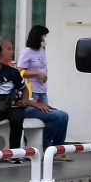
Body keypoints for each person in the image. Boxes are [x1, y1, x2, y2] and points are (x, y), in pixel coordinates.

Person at [0, 42, 51, 157]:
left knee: (17, 119)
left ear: (0, 56)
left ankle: (15, 153)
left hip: (13, 106)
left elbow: (24, 89)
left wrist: (23, 102)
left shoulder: (11, 72)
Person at [17, 25, 70, 156]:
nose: (45, 39)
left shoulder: (41, 51)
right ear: (38, 37)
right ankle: (44, 147)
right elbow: (20, 72)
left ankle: (58, 149)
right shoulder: (26, 53)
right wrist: (36, 74)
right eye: (44, 36)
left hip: (42, 93)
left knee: (63, 116)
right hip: (31, 94)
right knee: (55, 117)